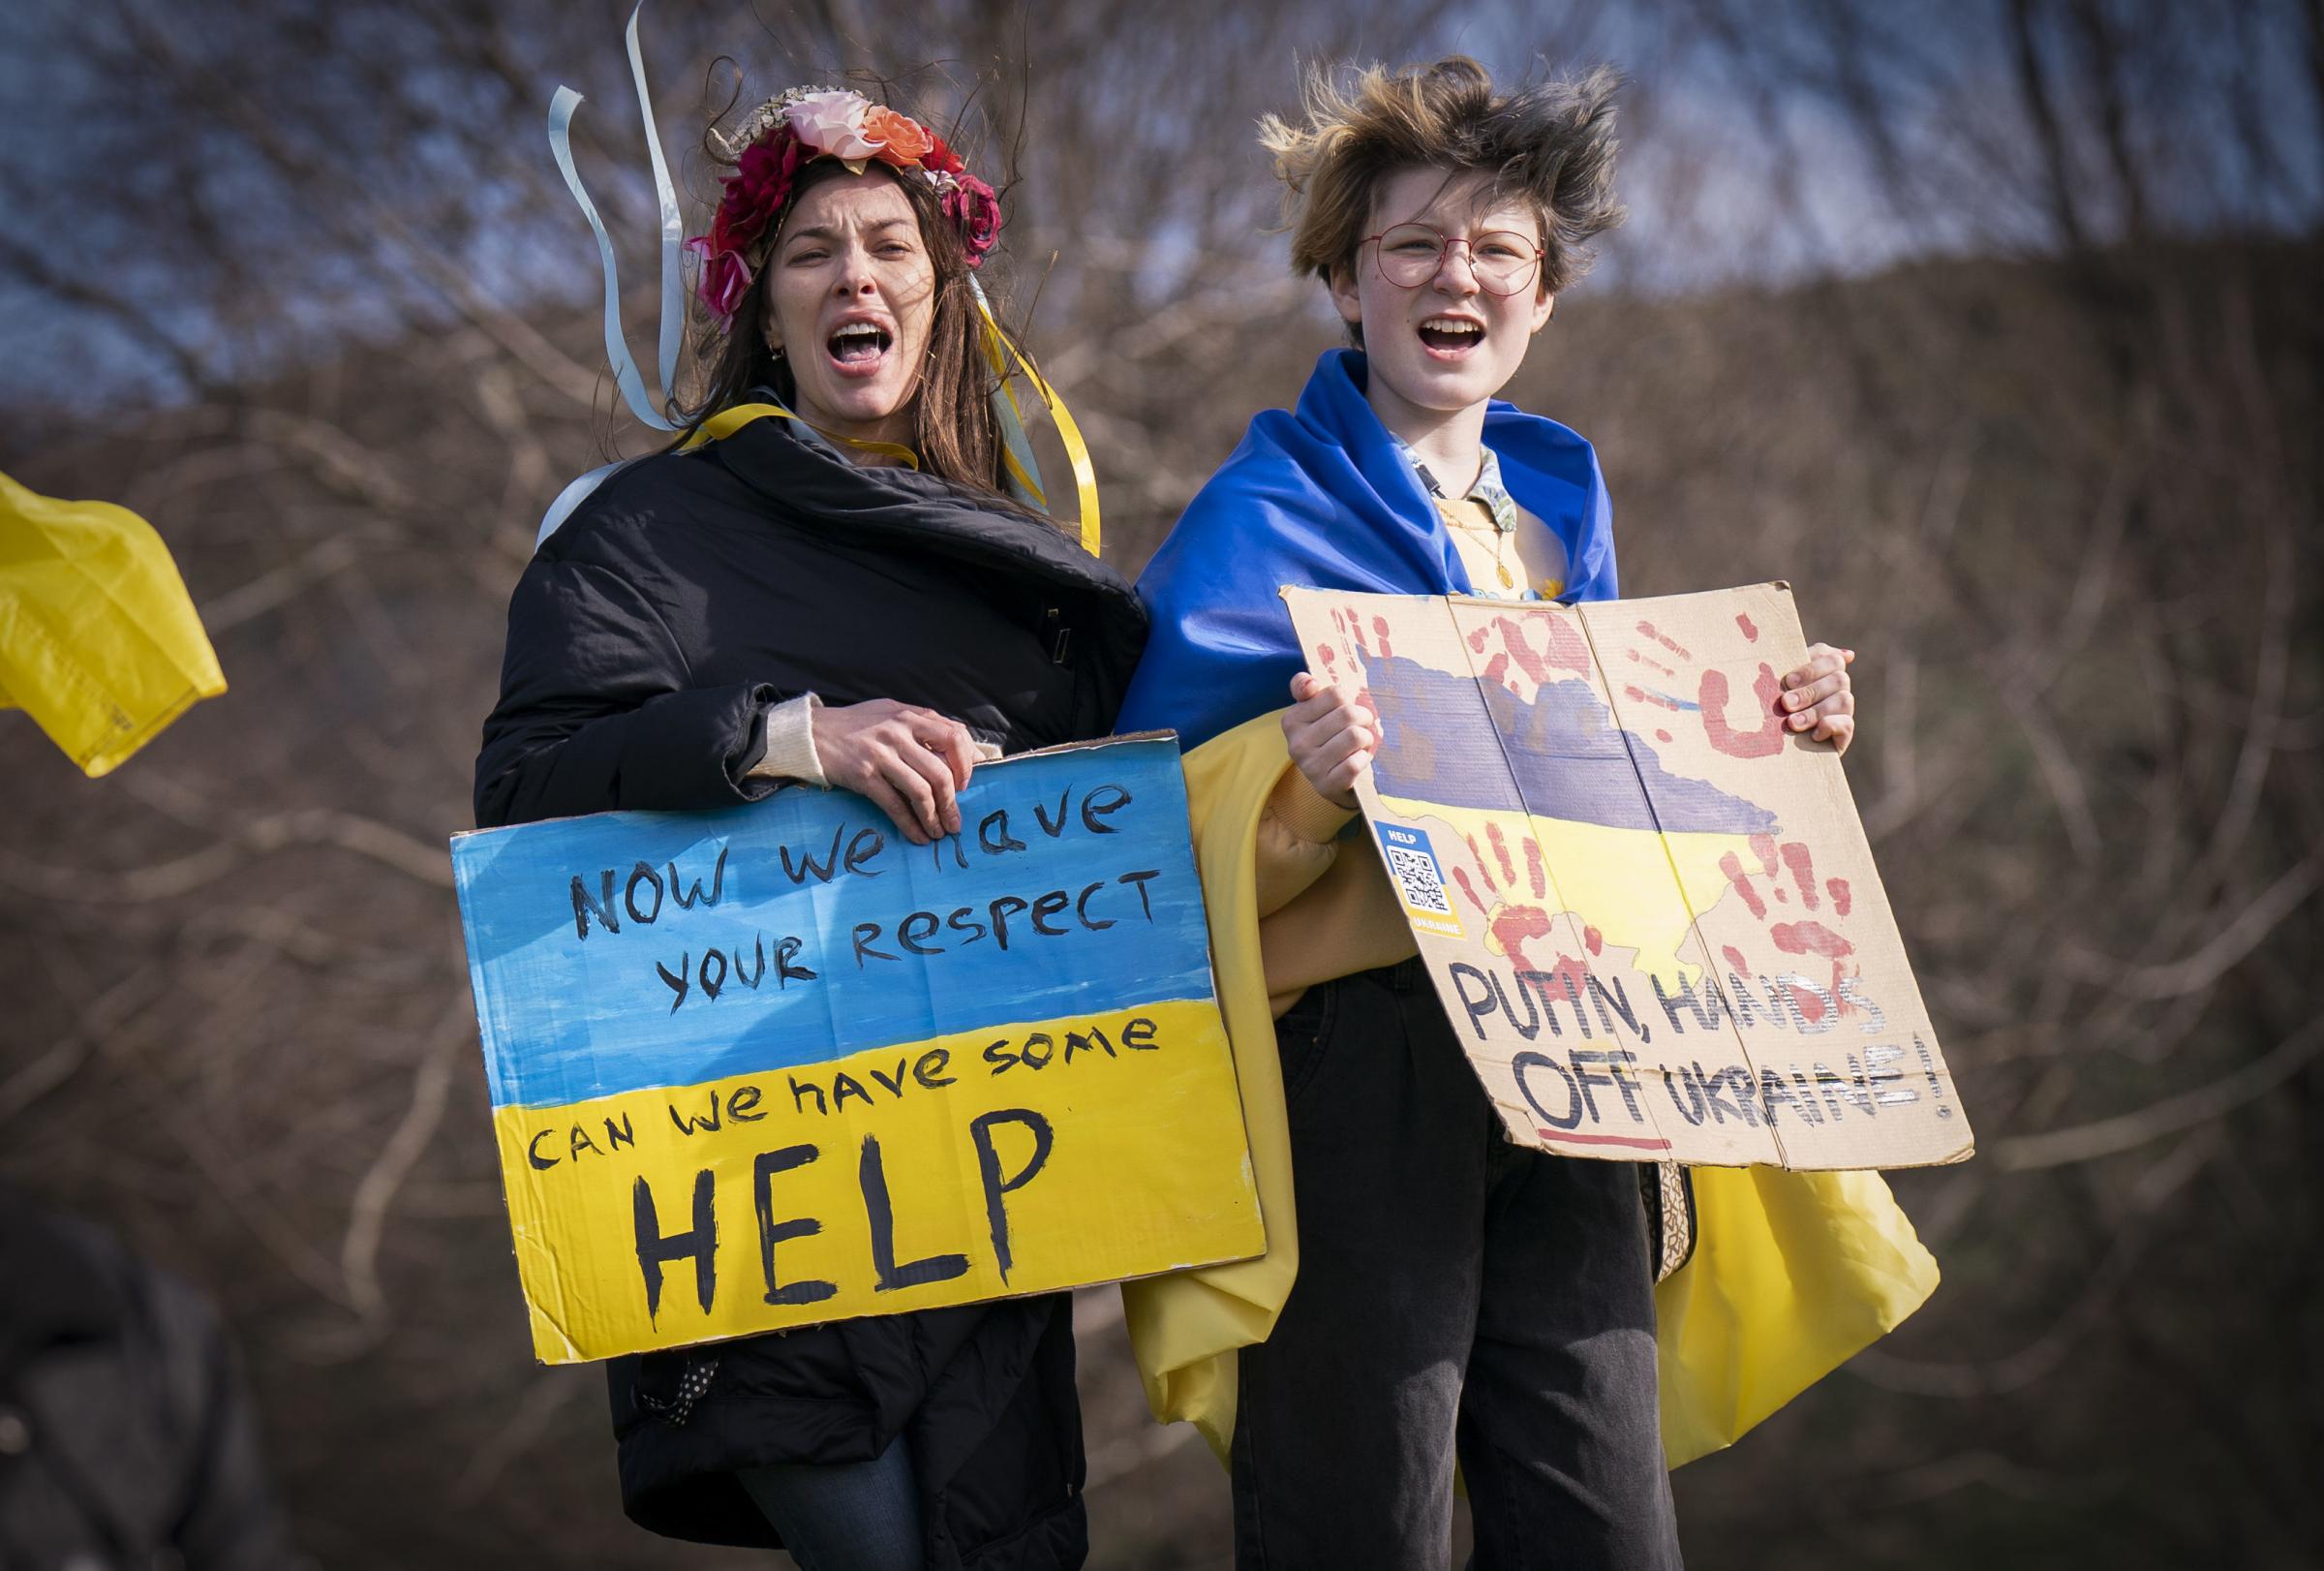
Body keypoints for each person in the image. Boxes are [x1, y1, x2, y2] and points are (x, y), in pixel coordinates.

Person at [1115, 58, 1938, 1569]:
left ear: (1544, 297)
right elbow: (1145, 856)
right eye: (1415, 243)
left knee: (1605, 1526)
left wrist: (1778, 726)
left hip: (1583, 1073)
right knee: (1360, 1520)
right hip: (1361, 1073)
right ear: (1346, 281)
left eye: (1499, 249)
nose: (1457, 276)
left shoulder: (1562, 514)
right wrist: (1299, 778)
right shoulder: (1258, 517)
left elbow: (1620, 796)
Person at [474, 85, 1146, 1571]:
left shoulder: (1030, 577)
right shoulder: (646, 535)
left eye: (892, 245)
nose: (857, 275)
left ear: (940, 295)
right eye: (813, 252)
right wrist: (789, 739)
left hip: (980, 1186)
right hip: (747, 1171)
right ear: (763, 311)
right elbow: (525, 791)